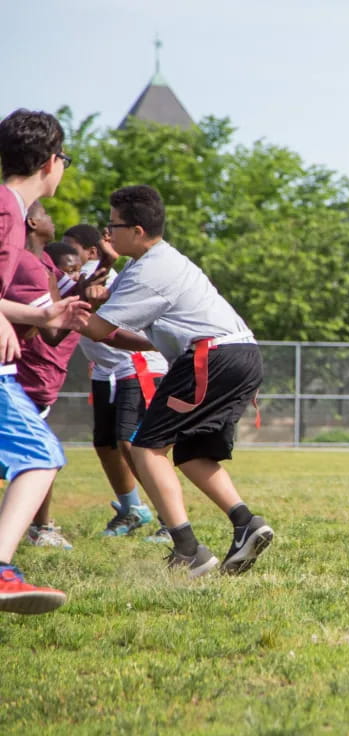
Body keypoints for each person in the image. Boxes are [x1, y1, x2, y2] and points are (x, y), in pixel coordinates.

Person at [83, 185, 272, 578]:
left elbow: (98, 328)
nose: (107, 232)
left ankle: (188, 549)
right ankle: (246, 523)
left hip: (209, 357)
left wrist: (54, 312)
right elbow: (128, 336)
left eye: (113, 225)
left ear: (137, 230)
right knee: (192, 453)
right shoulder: (152, 262)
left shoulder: (148, 271)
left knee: (145, 447)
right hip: (238, 355)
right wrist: (99, 293)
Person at [0, 108, 90, 614]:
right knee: (38, 452)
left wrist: (42, 314)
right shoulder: (6, 209)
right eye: (65, 160)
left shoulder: (11, 211)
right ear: (51, 161)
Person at [63, 224, 168, 540]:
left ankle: (169, 519)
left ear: (92, 252)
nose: (66, 253)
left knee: (129, 442)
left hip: (134, 365)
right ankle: (132, 509)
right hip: (105, 370)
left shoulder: (100, 277)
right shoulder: (79, 277)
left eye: (72, 247)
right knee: (105, 444)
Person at [6, 206, 84, 550]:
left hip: (35, 378)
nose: (54, 221)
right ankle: (38, 530)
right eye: (48, 215)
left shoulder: (44, 265)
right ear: (33, 222)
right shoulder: (26, 264)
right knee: (41, 453)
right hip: (21, 375)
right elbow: (51, 332)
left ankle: (38, 529)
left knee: (38, 454)